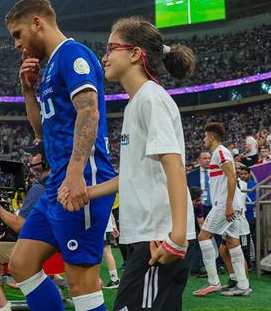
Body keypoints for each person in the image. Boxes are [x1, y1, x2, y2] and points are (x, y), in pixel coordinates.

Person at [59, 16, 197, 310]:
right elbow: (133, 175)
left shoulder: (151, 99)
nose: (104, 56)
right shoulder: (137, 103)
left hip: (159, 238)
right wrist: (87, 192)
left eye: (111, 48)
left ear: (135, 54)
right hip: (148, 236)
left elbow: (174, 166)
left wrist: (178, 237)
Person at [5, 0, 116, 311]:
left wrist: (74, 175)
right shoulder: (50, 66)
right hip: (57, 184)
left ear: (37, 23)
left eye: (18, 34)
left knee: (82, 284)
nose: (16, 44)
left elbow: (89, 112)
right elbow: (41, 132)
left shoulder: (72, 54)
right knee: (21, 264)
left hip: (81, 180)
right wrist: (28, 89)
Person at [0, 141, 49, 311]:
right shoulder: (58, 181)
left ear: (46, 158)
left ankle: (2, 305)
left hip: (39, 247)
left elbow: (20, 226)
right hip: (55, 245)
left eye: (34, 155)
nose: (30, 158)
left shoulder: (39, 188)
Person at [193, 122, 251, 297]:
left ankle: (213, 282)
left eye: (204, 136)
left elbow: (232, 176)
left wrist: (227, 205)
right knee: (233, 242)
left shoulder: (220, 152)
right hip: (231, 204)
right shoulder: (220, 153)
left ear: (211, 137)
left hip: (226, 204)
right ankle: (243, 285)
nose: (203, 139)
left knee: (203, 236)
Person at [101, 213, 120, 289]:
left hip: (102, 227)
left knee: (106, 252)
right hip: (106, 227)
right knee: (107, 252)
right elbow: (110, 210)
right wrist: (114, 225)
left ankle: (114, 280)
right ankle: (115, 279)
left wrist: (114, 226)